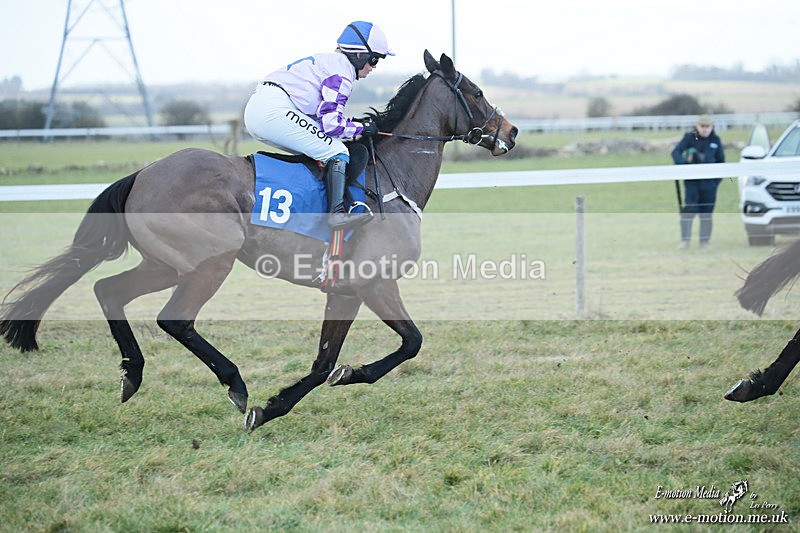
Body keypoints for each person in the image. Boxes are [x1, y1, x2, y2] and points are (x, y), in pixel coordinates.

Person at [244, 21, 394, 232]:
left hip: (265, 108)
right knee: (337, 150)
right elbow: (331, 125)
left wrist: (356, 124)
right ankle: (336, 215)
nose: (374, 67)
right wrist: (360, 128)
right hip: (273, 110)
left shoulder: (332, 63)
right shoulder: (342, 73)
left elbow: (327, 118)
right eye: (374, 59)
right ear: (359, 55)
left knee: (321, 149)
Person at [671, 114, 726, 249]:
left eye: (708, 127)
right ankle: (685, 241)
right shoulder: (689, 137)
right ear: (697, 126)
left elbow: (722, 162)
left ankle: (704, 242)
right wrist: (683, 165)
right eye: (702, 126)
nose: (705, 129)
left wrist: (715, 182)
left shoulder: (716, 140)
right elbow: (676, 152)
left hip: (709, 184)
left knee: (706, 212)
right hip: (692, 183)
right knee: (690, 210)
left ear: (711, 127)